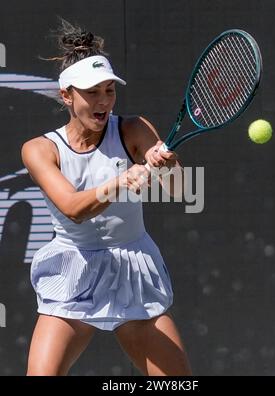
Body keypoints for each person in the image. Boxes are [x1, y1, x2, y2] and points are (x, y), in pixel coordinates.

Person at [21, 19, 192, 376]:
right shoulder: (39, 149)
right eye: (92, 92)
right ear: (66, 95)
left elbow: (180, 190)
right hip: (73, 270)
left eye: (109, 90)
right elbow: (72, 209)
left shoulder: (133, 129)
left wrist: (169, 167)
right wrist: (119, 182)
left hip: (133, 269)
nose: (104, 102)